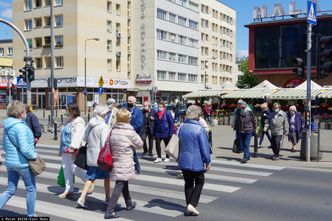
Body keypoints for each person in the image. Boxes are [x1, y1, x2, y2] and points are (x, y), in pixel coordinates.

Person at [104, 109, 143, 219]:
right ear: (127, 119)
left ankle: (129, 203)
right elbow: (140, 144)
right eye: (129, 118)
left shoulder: (113, 130)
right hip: (125, 161)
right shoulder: (130, 131)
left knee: (123, 181)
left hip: (115, 160)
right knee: (120, 184)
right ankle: (109, 210)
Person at [0, 101, 37, 217]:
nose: (25, 112)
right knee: (31, 189)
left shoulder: (7, 126)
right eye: (24, 110)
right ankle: (31, 215)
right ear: (20, 113)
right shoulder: (20, 127)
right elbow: (25, 149)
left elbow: (5, 146)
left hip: (11, 163)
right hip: (23, 164)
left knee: (10, 190)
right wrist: (34, 156)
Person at [178, 105, 211, 216]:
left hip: (184, 159)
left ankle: (189, 206)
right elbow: (204, 147)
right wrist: (207, 161)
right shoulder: (199, 129)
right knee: (200, 181)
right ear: (198, 116)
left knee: (188, 183)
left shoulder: (182, 127)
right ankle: (192, 204)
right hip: (196, 161)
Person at [77, 105, 111, 208]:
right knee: (107, 177)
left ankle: (82, 198)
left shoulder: (90, 123)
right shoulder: (104, 126)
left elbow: (84, 137)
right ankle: (107, 198)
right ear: (104, 114)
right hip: (101, 157)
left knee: (90, 178)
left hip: (91, 155)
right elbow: (104, 143)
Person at [58, 103, 88, 198]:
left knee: (75, 169)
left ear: (73, 110)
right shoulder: (69, 121)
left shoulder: (78, 122)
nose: (66, 111)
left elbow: (78, 135)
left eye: (67, 109)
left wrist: (73, 147)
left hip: (72, 149)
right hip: (65, 149)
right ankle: (68, 189)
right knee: (66, 169)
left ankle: (89, 181)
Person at [127, 96, 143, 173]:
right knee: (130, 151)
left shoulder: (138, 111)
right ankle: (135, 167)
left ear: (134, 102)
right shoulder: (125, 109)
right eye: (128, 101)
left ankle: (137, 167)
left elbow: (139, 124)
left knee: (132, 151)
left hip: (133, 133)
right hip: (125, 133)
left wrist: (130, 128)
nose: (129, 103)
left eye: (130, 102)